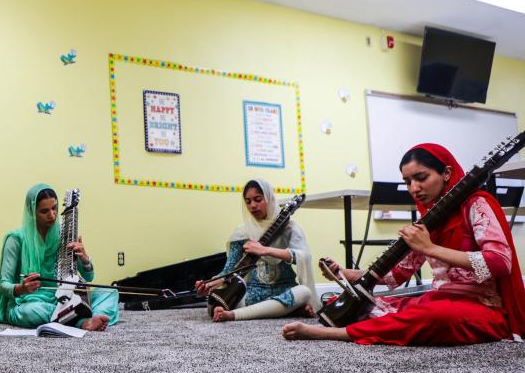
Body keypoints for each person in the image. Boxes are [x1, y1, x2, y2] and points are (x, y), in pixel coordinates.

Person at [282, 143, 525, 345]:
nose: (414, 189)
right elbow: (395, 276)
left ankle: (335, 334)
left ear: (447, 174)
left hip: (482, 307)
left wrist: (430, 248)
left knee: (434, 317)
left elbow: (499, 264)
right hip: (440, 298)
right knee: (370, 304)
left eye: (421, 178)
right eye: (408, 182)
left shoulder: (476, 205)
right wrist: (344, 273)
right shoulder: (429, 220)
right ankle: (384, 324)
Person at [0, 184, 118, 331]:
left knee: (110, 292)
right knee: (30, 312)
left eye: (54, 208)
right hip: (29, 303)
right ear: (32, 212)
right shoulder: (16, 239)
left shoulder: (63, 234)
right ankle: (82, 322)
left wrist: (84, 258)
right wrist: (21, 288)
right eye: (44, 211)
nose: (52, 215)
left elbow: (88, 277)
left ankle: (89, 318)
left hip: (63, 299)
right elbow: (3, 284)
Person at [195, 179, 318, 322]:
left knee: (304, 292)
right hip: (251, 292)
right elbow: (230, 270)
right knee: (214, 302)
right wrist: (210, 283)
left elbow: (303, 256)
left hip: (284, 288)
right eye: (248, 201)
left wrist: (264, 250)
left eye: (257, 199)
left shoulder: (289, 228)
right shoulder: (242, 232)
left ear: (269, 198)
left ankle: (233, 315)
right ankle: (284, 310)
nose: (253, 205)